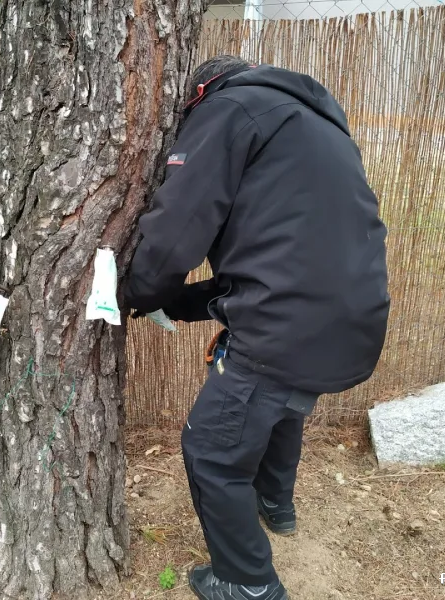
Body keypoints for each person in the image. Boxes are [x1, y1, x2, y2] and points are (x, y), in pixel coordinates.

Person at [124, 55, 390, 600]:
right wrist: (176, 305)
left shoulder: (229, 110)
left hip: (286, 327)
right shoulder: (315, 124)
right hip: (350, 317)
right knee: (281, 405)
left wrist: (135, 291)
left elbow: (178, 227)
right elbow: (281, 262)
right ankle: (277, 505)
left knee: (212, 452)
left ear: (199, 92)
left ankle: (247, 582)